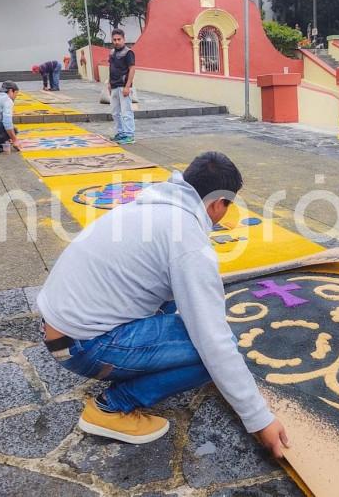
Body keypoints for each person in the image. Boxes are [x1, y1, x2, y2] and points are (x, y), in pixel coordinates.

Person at [37, 152, 289, 456]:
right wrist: (259, 419)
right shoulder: (188, 242)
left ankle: (131, 367)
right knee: (210, 354)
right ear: (218, 203)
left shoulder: (152, 203)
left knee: (178, 309)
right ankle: (111, 407)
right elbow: (214, 341)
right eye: (228, 206)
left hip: (58, 328)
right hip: (83, 345)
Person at [108, 28, 136, 144]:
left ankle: (129, 135)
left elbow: (132, 69)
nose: (117, 42)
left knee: (126, 112)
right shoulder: (112, 53)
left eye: (119, 39)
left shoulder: (128, 52)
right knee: (115, 112)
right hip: (114, 86)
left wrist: (127, 86)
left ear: (123, 39)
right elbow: (111, 68)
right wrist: (109, 83)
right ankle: (120, 133)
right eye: (114, 39)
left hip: (123, 87)